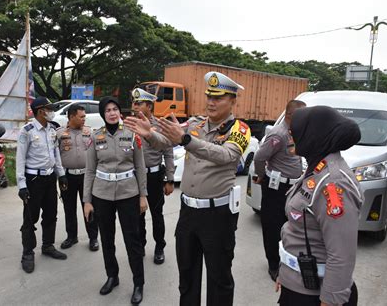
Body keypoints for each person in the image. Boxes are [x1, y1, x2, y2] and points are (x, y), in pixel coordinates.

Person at [125, 71, 251, 306]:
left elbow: (226, 155)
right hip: (189, 213)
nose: (211, 102)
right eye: (209, 97)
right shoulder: (195, 124)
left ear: (233, 100)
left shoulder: (239, 129)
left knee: (219, 277)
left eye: (219, 98)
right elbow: (167, 141)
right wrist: (150, 134)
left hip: (218, 215)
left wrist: (186, 140)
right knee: (188, 275)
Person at [277, 106, 363, 306]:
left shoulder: (333, 184)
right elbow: (297, 232)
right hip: (297, 285)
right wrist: (286, 273)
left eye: (297, 131)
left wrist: (331, 300)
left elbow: (341, 254)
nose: (290, 135)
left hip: (316, 296)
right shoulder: (316, 169)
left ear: (314, 135)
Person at [83, 97, 148, 305]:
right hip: (102, 196)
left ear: (120, 112)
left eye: (115, 109)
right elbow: (90, 170)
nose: (112, 113)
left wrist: (143, 196)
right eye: (108, 110)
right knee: (107, 239)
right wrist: (87, 200)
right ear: (103, 114)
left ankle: (139, 283)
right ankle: (112, 276)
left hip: (128, 194)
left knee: (132, 240)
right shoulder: (95, 137)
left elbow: (140, 167)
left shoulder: (132, 135)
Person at [253, 100, 306, 281]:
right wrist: (261, 176)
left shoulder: (297, 131)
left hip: (293, 187)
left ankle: (286, 259)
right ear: (290, 115)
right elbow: (259, 157)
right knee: (272, 226)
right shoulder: (279, 134)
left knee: (290, 225)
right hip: (276, 187)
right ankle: (274, 264)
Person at [16, 97, 69, 274]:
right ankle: (28, 252)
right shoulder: (27, 131)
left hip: (49, 179)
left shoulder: (52, 129)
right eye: (49, 109)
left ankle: (48, 245)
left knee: (51, 214)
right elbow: (20, 159)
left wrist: (61, 175)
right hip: (33, 180)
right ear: (40, 111)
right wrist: (21, 185)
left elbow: (56, 153)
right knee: (30, 218)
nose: (52, 111)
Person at [131, 88, 175, 264]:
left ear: (149, 105)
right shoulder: (129, 125)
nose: (135, 106)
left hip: (155, 177)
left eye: (139, 103)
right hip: (134, 178)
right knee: (137, 215)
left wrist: (169, 179)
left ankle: (159, 247)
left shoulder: (160, 126)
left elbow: (169, 153)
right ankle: (140, 245)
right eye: (134, 102)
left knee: (157, 214)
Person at [56, 104, 99, 251]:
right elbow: (55, 155)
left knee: (89, 207)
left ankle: (93, 238)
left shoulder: (89, 132)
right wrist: (60, 174)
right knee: (69, 208)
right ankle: (71, 236)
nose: (84, 119)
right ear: (72, 117)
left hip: (86, 176)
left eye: (84, 116)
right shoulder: (59, 133)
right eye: (81, 116)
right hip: (67, 176)